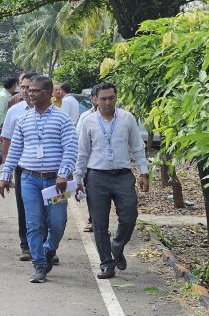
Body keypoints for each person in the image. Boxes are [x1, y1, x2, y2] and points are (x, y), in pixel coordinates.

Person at [0, 76, 77, 283]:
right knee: (33, 224)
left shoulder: (62, 119)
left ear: (49, 92)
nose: (30, 94)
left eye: (35, 91)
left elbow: (70, 149)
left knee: (58, 222)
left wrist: (63, 173)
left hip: (55, 183)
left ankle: (49, 249)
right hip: (30, 180)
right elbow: (15, 149)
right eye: (29, 90)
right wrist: (5, 175)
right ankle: (39, 265)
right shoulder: (23, 119)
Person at [75, 82, 149, 279]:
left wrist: (143, 173)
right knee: (99, 223)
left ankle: (117, 245)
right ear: (95, 100)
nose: (108, 102)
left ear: (116, 98)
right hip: (97, 177)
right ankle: (107, 264)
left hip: (123, 176)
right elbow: (82, 153)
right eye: (103, 99)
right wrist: (79, 178)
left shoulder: (127, 118)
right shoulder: (88, 122)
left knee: (129, 216)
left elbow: (137, 147)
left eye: (111, 98)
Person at [0, 76, 32, 261]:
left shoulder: (54, 112)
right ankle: (26, 245)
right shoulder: (15, 111)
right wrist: (7, 167)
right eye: (23, 87)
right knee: (24, 206)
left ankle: (47, 244)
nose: (26, 91)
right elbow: (7, 139)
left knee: (50, 208)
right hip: (22, 168)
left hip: (50, 171)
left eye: (30, 87)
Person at [76, 84, 99, 233]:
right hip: (90, 163)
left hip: (107, 164)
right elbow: (78, 139)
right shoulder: (85, 117)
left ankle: (101, 223)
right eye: (97, 98)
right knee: (92, 193)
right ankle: (93, 220)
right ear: (92, 99)